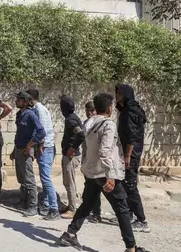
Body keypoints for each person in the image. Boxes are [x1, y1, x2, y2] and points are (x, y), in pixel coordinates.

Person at [59, 93, 148, 252]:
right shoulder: (108, 125)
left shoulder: (89, 122)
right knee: (122, 210)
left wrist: (73, 148)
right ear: (109, 108)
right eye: (112, 105)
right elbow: (105, 152)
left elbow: (82, 137)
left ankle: (70, 234)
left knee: (87, 204)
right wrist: (111, 176)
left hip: (91, 172)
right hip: (105, 174)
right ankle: (131, 248)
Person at [115, 84, 150, 233]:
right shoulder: (128, 110)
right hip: (127, 154)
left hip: (131, 155)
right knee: (124, 183)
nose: (117, 96)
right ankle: (128, 213)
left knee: (130, 185)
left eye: (119, 94)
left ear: (126, 95)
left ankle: (142, 220)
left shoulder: (130, 112)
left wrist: (128, 155)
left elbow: (132, 136)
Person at [11, 91, 46, 218]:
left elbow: (41, 132)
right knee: (22, 179)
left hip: (26, 151)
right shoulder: (19, 115)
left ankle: (33, 206)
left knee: (29, 180)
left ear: (25, 102)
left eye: (19, 100)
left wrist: (29, 145)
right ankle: (23, 201)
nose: (16, 102)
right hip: (18, 149)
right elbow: (18, 133)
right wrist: (14, 151)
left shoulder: (31, 115)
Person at [27, 89, 59, 220]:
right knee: (45, 178)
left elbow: (43, 131)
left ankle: (54, 209)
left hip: (45, 148)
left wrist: (40, 146)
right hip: (45, 147)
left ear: (30, 99)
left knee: (46, 179)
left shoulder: (39, 110)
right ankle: (46, 205)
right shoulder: (38, 109)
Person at [60, 95, 85, 219]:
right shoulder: (72, 118)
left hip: (71, 156)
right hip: (69, 155)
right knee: (68, 181)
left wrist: (72, 148)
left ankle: (72, 209)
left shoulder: (71, 120)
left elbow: (81, 135)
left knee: (70, 183)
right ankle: (70, 205)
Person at [82, 101, 102, 223]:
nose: (90, 113)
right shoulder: (85, 124)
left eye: (92, 110)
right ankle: (92, 211)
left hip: (98, 162)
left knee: (97, 188)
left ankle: (96, 213)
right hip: (87, 161)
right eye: (87, 110)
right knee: (90, 187)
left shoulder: (101, 125)